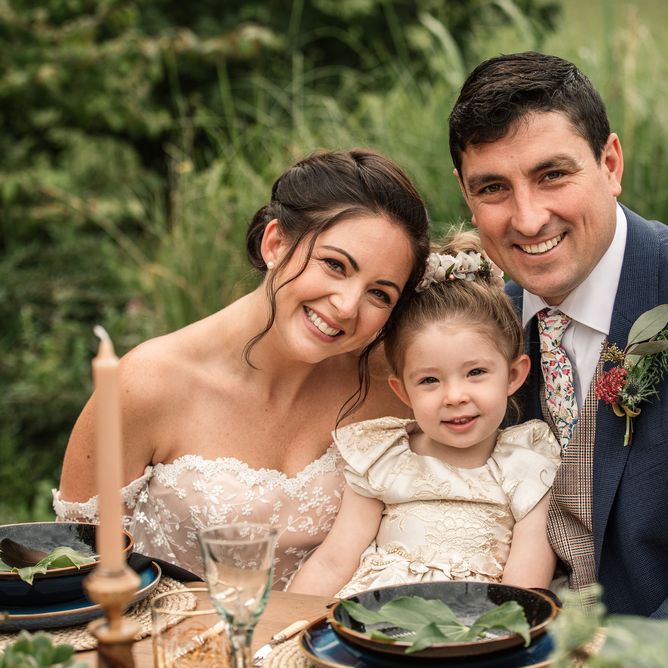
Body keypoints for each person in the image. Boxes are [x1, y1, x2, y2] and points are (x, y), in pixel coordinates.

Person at [448, 52, 668, 617]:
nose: (527, 219)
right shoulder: (483, 321)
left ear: (611, 163)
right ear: (465, 194)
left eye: (552, 175)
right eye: (493, 188)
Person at [55, 149, 431, 589]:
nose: (347, 306)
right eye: (334, 264)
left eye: (380, 294)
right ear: (275, 243)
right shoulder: (146, 384)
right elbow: (73, 568)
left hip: (327, 652)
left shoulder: (394, 390)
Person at [289, 231, 561, 597]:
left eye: (476, 373)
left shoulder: (527, 462)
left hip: (476, 627)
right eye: (430, 380)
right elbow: (334, 560)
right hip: (375, 620)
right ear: (403, 391)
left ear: (513, 375)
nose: (454, 396)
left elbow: (525, 583)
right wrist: (284, 629)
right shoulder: (384, 456)